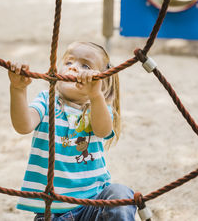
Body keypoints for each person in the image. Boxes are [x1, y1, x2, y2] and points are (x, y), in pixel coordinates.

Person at [8, 41, 136, 220]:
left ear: (102, 85)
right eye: (68, 62)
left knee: (120, 193)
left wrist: (95, 95)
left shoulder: (97, 108)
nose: (74, 68)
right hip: (52, 212)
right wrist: (18, 89)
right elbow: (23, 126)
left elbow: (102, 130)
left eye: (85, 65)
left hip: (94, 206)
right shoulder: (46, 101)